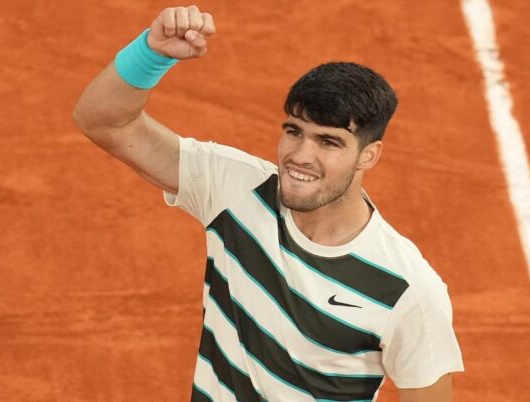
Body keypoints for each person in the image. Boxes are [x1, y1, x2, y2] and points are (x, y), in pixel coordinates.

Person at [73, 5, 464, 401]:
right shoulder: (236, 190)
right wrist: (151, 53)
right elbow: (105, 122)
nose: (300, 155)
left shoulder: (406, 290)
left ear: (369, 155)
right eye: (294, 132)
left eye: (328, 142)